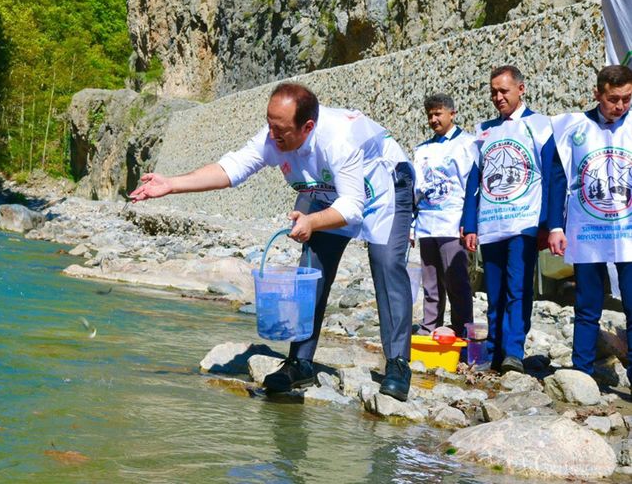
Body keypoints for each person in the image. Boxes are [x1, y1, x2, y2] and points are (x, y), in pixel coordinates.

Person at [130, 82, 415, 400]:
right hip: (328, 191)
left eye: (280, 129)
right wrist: (171, 184)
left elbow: (351, 207)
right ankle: (300, 363)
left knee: (387, 264)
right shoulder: (274, 136)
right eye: (269, 125)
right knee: (312, 267)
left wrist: (312, 221)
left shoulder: (338, 140)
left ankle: (398, 364)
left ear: (307, 126)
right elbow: (233, 167)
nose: (272, 135)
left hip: (383, 186)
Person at [461, 65, 554, 373]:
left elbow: (553, 177)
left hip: (523, 223)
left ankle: (513, 350)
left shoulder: (540, 125)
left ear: (521, 89)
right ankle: (494, 350)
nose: (498, 97)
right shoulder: (484, 130)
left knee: (518, 287)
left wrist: (547, 223)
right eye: (493, 92)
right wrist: (470, 224)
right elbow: (474, 181)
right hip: (491, 223)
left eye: (504, 91)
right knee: (494, 289)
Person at [547, 65, 632, 387]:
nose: (621, 106)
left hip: (628, 231)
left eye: (626, 99)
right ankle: (582, 373)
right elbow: (558, 178)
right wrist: (555, 226)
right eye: (613, 99)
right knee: (587, 304)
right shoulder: (573, 128)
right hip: (588, 230)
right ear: (597, 94)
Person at [412, 94, 475, 337]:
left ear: (452, 113)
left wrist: (468, 223)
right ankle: (430, 327)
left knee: (456, 281)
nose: (433, 119)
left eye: (438, 114)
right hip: (427, 225)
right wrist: (411, 224)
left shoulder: (468, 144)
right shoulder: (422, 150)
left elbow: (472, 187)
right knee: (431, 283)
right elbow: (416, 191)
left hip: (452, 224)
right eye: (430, 115)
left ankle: (462, 331)